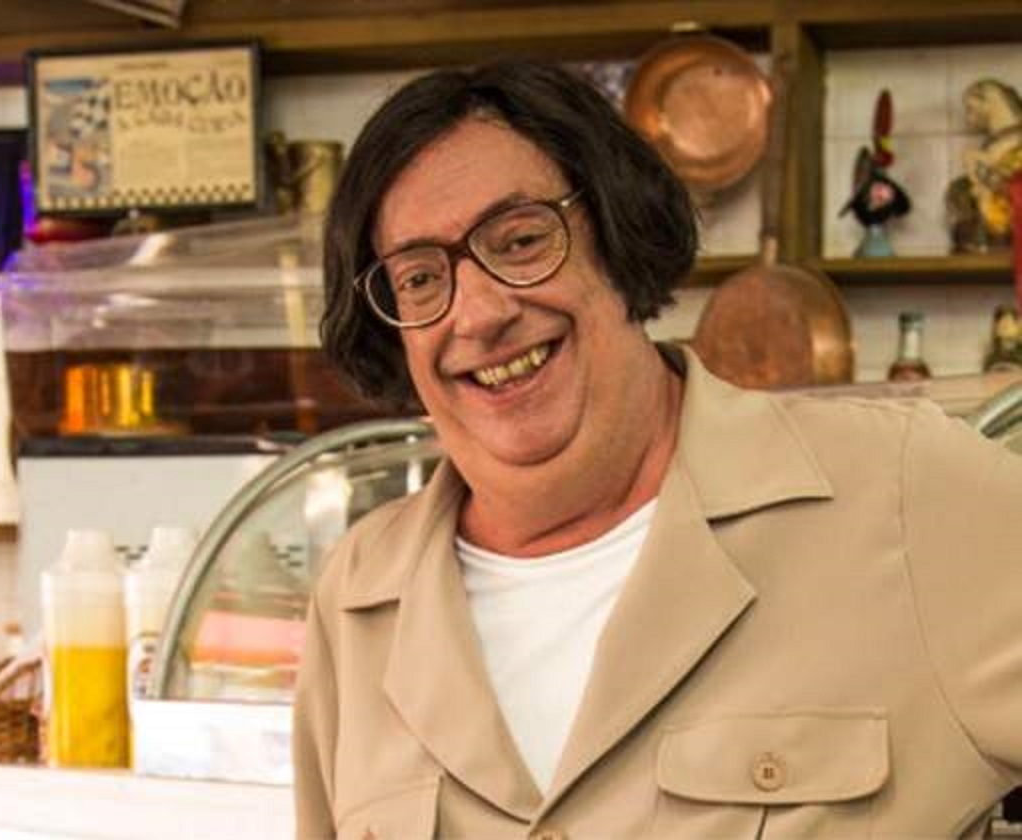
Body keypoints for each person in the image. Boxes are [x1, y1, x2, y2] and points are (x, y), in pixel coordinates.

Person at [292, 61, 1022, 838]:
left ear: (616, 236)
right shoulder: (358, 598)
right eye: (418, 280)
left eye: (522, 240)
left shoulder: (902, 496)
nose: (476, 314)